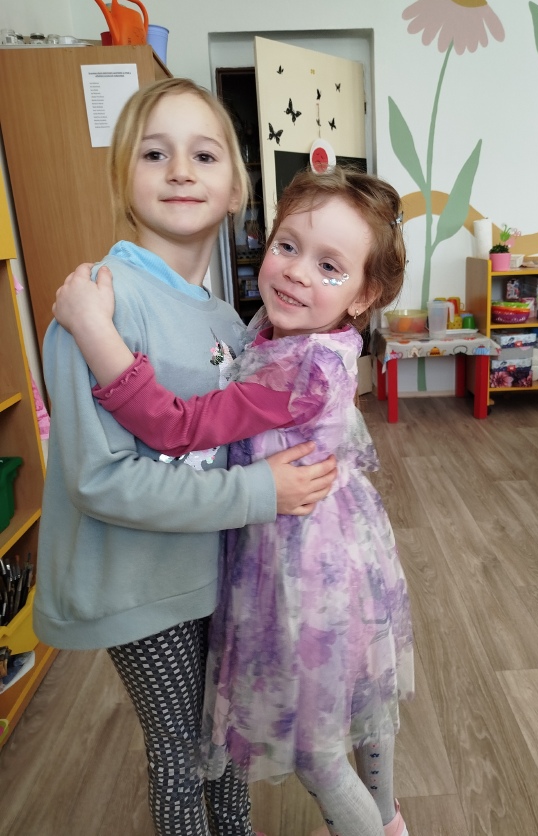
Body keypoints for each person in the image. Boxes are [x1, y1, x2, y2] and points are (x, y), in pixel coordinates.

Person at [52, 166, 415, 836]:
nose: (296, 273)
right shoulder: (289, 333)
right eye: (288, 246)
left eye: (328, 266)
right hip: (340, 555)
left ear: (363, 295)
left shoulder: (298, 367)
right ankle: (388, 816)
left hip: (299, 572)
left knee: (316, 750)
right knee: (360, 706)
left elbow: (177, 426)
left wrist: (94, 331)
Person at [34, 78, 338, 836]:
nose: (179, 171)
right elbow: (99, 479)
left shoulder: (222, 317)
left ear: (236, 189)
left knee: (227, 736)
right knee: (182, 753)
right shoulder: (97, 305)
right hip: (139, 586)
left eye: (203, 155)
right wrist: (259, 493)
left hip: (210, 570)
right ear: (122, 179)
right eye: (154, 154)